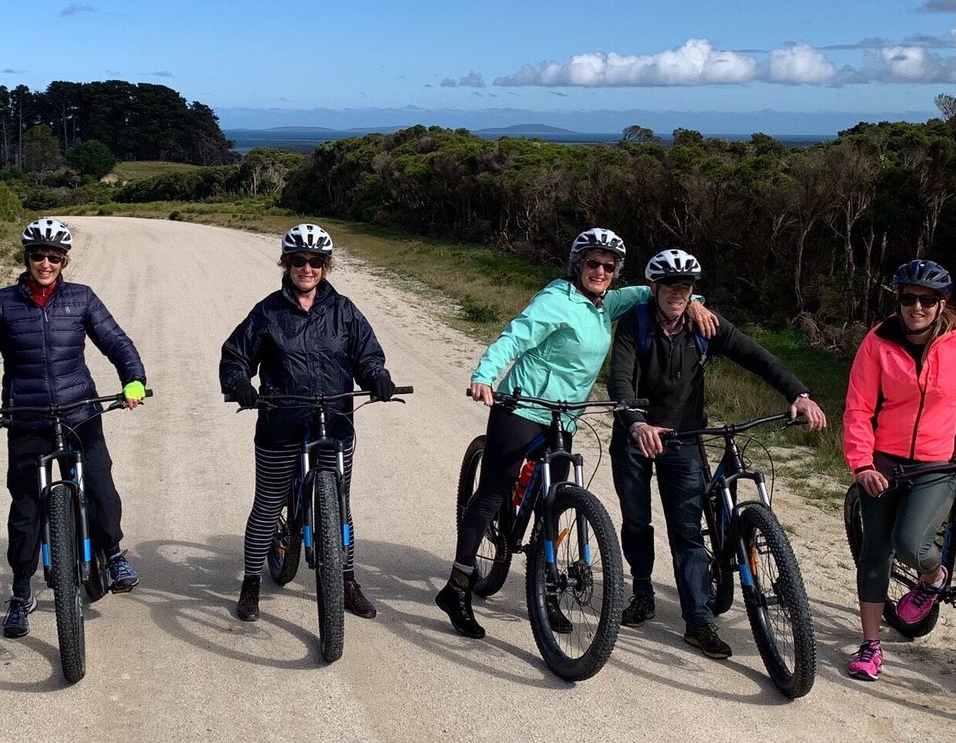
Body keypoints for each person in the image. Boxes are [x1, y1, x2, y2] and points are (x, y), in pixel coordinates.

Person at [434, 227, 717, 639]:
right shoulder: (555, 300)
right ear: (577, 265)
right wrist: (484, 376)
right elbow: (516, 336)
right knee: (495, 489)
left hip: (565, 418)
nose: (600, 271)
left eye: (608, 265)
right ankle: (457, 585)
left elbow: (657, 292)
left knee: (554, 502)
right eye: (592, 263)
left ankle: (546, 591)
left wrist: (694, 304)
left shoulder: (607, 305)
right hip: (525, 406)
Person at [607, 248, 826, 659]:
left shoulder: (704, 325)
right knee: (636, 521)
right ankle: (641, 592)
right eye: (670, 285)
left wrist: (797, 392)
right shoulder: (633, 324)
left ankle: (699, 621)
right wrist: (636, 422)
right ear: (654, 287)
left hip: (684, 437)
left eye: (686, 287)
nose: (678, 293)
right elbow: (619, 379)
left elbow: (756, 356)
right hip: (636, 435)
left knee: (687, 532)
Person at [0, 217, 147, 639]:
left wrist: (132, 379)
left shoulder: (81, 299)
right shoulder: (0, 303)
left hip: (79, 411)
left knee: (100, 485)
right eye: (37, 256)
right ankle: (19, 592)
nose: (45, 263)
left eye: (53, 257)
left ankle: (112, 551)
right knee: (26, 507)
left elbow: (116, 341)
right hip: (27, 417)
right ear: (26, 258)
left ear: (64, 260)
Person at [219, 223, 396, 623]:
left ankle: (347, 580)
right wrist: (239, 383)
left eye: (316, 262)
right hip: (281, 420)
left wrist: (376, 378)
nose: (307, 268)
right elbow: (235, 356)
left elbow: (367, 355)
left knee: (342, 508)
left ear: (326, 266)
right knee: (267, 506)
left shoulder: (344, 310)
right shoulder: (267, 312)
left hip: (334, 422)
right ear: (286, 263)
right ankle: (250, 582)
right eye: (298, 261)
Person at [843, 259, 956, 681]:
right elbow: (859, 407)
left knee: (912, 544)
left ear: (942, 302)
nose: (916, 307)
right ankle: (870, 644)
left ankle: (932, 577)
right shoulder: (878, 341)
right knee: (875, 552)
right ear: (897, 300)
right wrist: (861, 463)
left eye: (927, 300)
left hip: (937, 459)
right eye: (908, 298)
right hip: (883, 457)